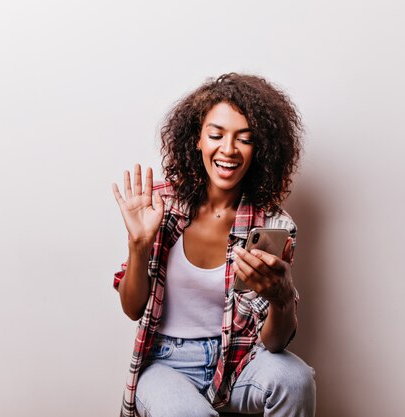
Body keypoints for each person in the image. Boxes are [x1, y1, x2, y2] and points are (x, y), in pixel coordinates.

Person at [111, 73, 316, 417]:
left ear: (259, 149)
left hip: (237, 362)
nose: (229, 149)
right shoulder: (160, 204)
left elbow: (274, 343)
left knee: (295, 379)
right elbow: (133, 309)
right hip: (167, 364)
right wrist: (138, 245)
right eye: (216, 135)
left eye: (244, 139)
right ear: (197, 140)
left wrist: (282, 299)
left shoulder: (273, 225)